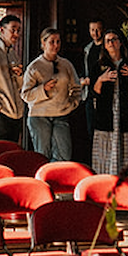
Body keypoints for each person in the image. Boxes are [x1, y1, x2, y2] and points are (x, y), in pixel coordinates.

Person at [87, 30, 128, 175]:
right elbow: (93, 92)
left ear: (120, 43)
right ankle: (106, 180)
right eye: (108, 41)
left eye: (114, 39)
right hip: (106, 114)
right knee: (106, 149)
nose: (111, 43)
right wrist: (101, 79)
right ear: (105, 46)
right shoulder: (99, 66)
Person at [20, 27, 80, 160]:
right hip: (39, 116)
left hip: (61, 114)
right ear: (43, 43)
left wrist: (71, 104)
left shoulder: (66, 64)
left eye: (58, 41)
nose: (56, 45)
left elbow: (77, 88)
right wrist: (43, 89)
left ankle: (59, 180)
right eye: (52, 42)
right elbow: (25, 95)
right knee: (42, 156)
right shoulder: (34, 67)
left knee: (64, 155)